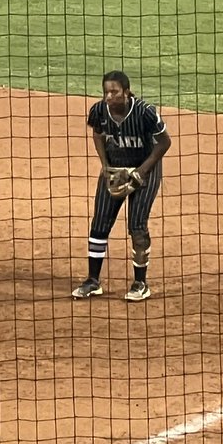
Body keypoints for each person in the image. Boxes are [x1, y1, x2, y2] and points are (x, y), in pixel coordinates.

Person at [72, 70, 171, 302]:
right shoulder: (99, 111)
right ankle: (93, 281)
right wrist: (106, 166)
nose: (109, 96)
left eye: (114, 92)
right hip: (115, 169)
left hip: (145, 170)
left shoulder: (145, 112)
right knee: (99, 224)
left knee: (137, 226)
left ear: (126, 92)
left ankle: (140, 284)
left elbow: (164, 142)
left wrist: (141, 172)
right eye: (106, 92)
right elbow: (98, 134)